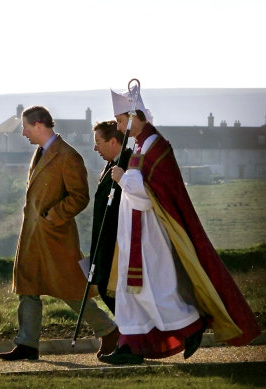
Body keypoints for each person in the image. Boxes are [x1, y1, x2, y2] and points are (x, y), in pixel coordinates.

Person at [99, 85, 261, 365]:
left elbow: (151, 192)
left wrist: (122, 177)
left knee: (154, 290)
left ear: (135, 115)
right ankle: (129, 346)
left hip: (149, 231)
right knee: (130, 290)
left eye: (121, 120)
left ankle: (191, 325)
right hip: (132, 230)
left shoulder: (155, 145)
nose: (119, 126)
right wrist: (124, 179)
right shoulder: (139, 144)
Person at [0, 105, 119, 361]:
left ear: (39, 125)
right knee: (28, 287)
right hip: (32, 235)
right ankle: (27, 344)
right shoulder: (40, 153)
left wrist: (54, 215)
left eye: (26, 127)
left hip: (56, 237)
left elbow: (80, 197)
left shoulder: (68, 156)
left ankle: (109, 330)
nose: (23, 133)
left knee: (71, 290)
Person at [90, 121, 132, 314]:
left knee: (111, 290)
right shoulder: (109, 165)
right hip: (104, 240)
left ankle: (130, 338)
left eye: (98, 142)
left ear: (113, 141)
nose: (95, 147)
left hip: (118, 242)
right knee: (103, 287)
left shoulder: (128, 164)